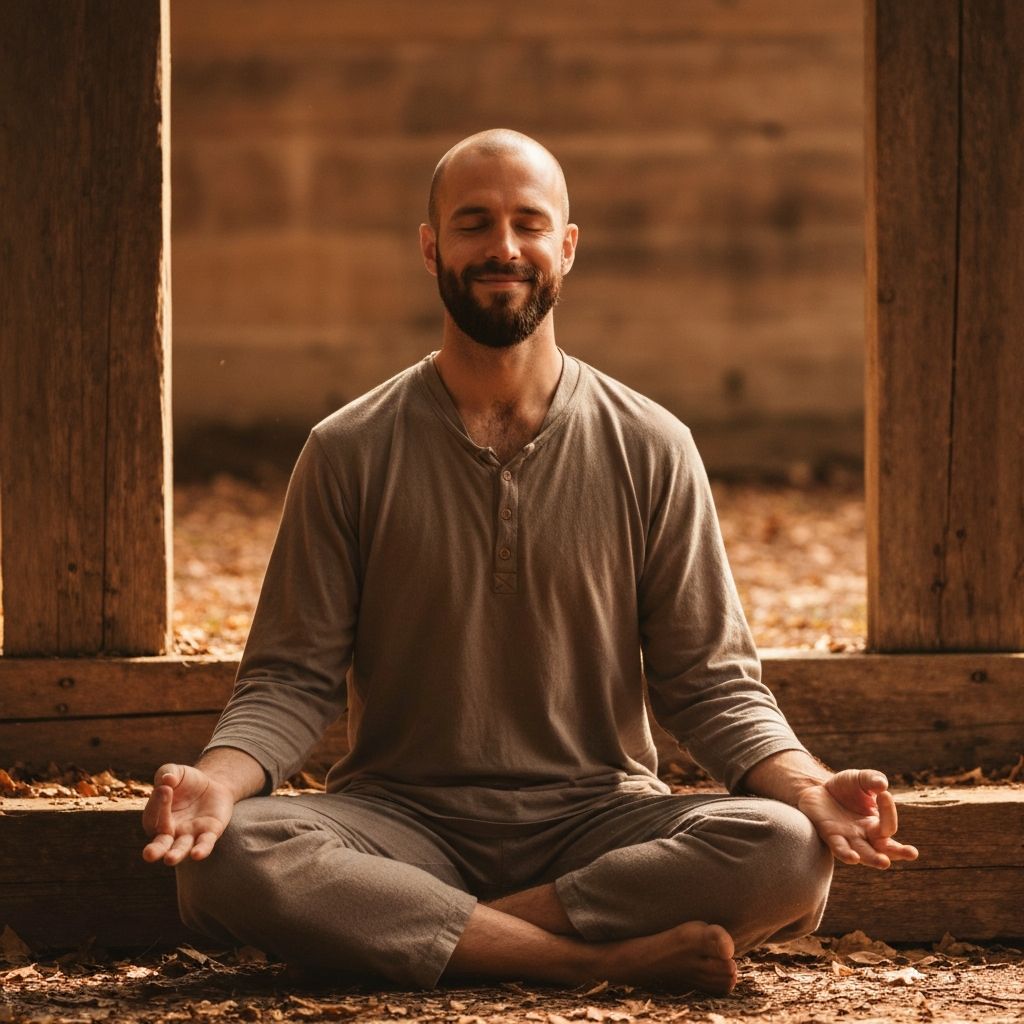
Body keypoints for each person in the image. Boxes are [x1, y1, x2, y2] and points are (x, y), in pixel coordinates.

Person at [142, 129, 917, 995]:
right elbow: (290, 679)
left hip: (599, 822)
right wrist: (215, 781)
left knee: (786, 848)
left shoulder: (653, 445)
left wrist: (808, 786)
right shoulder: (348, 449)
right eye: (473, 224)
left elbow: (712, 683)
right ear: (431, 246)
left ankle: (440, 930)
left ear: (567, 247)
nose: (502, 247)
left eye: (528, 223)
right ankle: (589, 961)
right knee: (227, 856)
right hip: (400, 820)